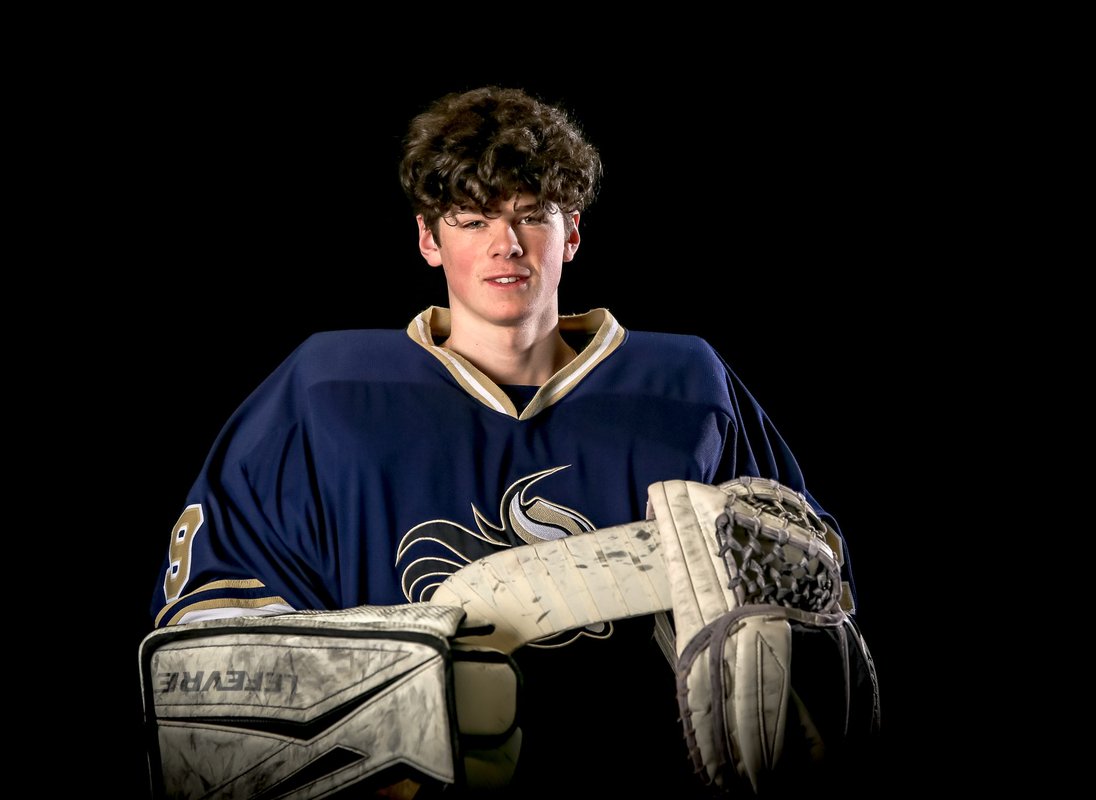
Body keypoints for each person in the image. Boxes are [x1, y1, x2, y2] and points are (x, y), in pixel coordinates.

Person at [145, 86, 879, 797]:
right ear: (429, 239)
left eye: (533, 216)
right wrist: (373, 715)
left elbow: (818, 587)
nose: (507, 245)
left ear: (573, 232)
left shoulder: (687, 389)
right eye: (472, 220)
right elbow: (206, 635)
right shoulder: (324, 392)